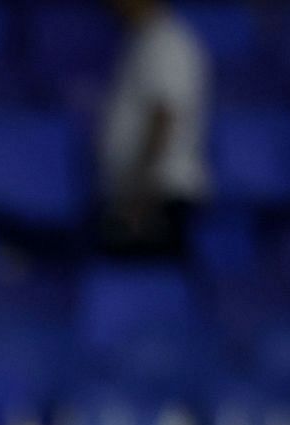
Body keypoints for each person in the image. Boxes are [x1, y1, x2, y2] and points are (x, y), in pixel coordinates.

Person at [98, 0, 211, 258]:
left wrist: (140, 197)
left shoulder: (166, 43)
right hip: (145, 194)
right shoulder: (143, 40)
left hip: (158, 196)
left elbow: (164, 120)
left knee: (147, 289)